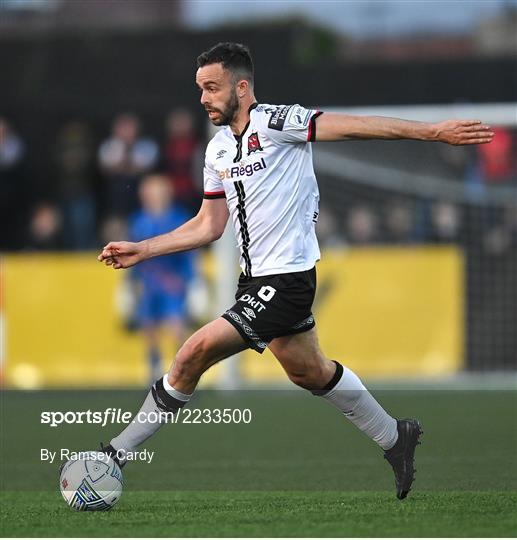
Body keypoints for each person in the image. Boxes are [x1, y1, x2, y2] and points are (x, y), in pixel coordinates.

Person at [97, 42, 493, 499]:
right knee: (308, 371)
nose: (203, 98)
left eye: (212, 87)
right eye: (199, 89)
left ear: (241, 88)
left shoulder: (279, 122)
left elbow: (358, 127)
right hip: (255, 280)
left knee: (192, 353)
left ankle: (114, 457)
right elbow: (210, 225)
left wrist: (435, 133)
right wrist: (143, 249)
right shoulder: (217, 151)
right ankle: (395, 438)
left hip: (287, 280)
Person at [129, 174, 196, 384]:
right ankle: (154, 373)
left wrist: (189, 279)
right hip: (149, 285)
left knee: (176, 328)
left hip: (172, 284)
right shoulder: (138, 220)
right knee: (149, 329)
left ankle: (183, 376)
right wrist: (132, 283)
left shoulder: (178, 218)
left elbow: (188, 252)